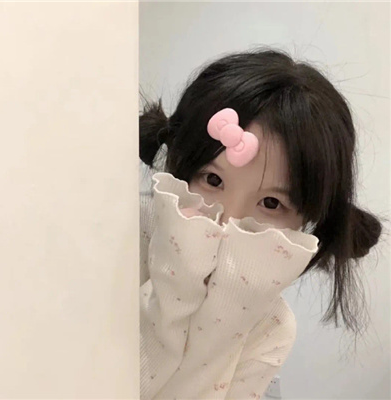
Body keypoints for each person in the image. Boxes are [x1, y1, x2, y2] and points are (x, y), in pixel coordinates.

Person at [138, 49, 383, 399]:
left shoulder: (272, 328)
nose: (228, 221)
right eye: (212, 179)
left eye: (271, 203)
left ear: (306, 221)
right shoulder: (131, 235)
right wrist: (174, 283)